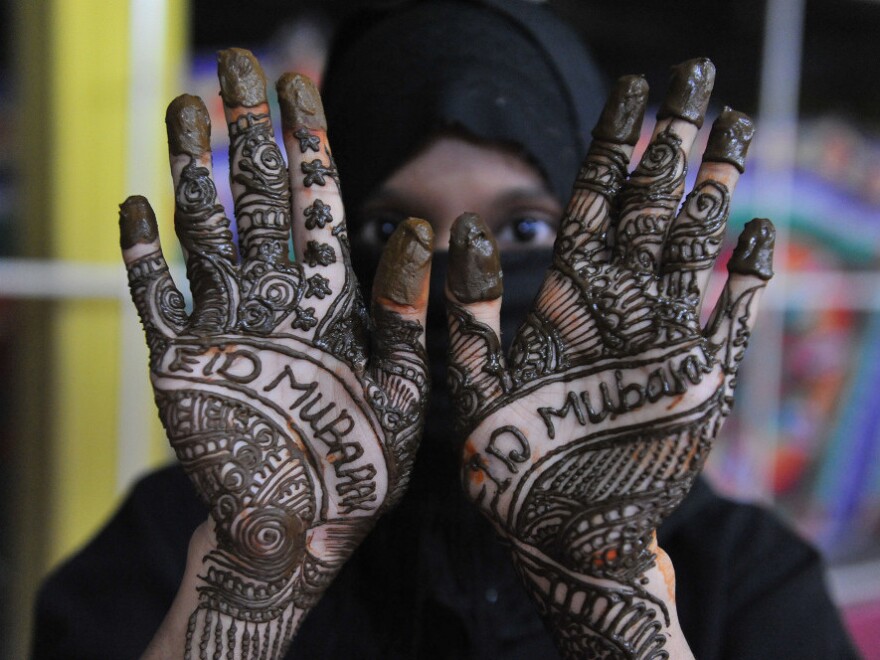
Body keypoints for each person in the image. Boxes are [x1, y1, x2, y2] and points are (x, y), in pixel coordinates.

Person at [33, 1, 859, 658]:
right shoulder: (165, 549)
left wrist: (607, 593)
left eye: (526, 233)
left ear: (593, 239)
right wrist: (254, 579)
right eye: (393, 232)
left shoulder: (745, 581)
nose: (463, 292)